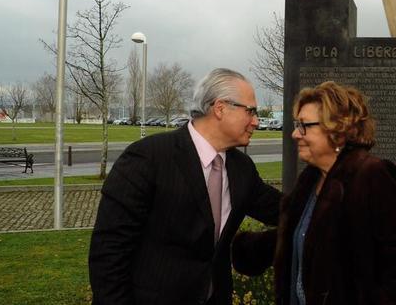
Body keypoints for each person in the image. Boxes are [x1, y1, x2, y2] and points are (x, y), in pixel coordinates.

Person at [88, 68, 282, 304]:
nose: (256, 121)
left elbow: (285, 209)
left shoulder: (242, 168)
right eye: (250, 111)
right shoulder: (148, 158)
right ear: (220, 108)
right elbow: (109, 252)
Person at [233, 81, 396, 304]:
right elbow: (307, 237)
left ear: (338, 129)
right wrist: (246, 248)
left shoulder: (374, 176)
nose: (295, 134)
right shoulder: (310, 181)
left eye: (304, 125)